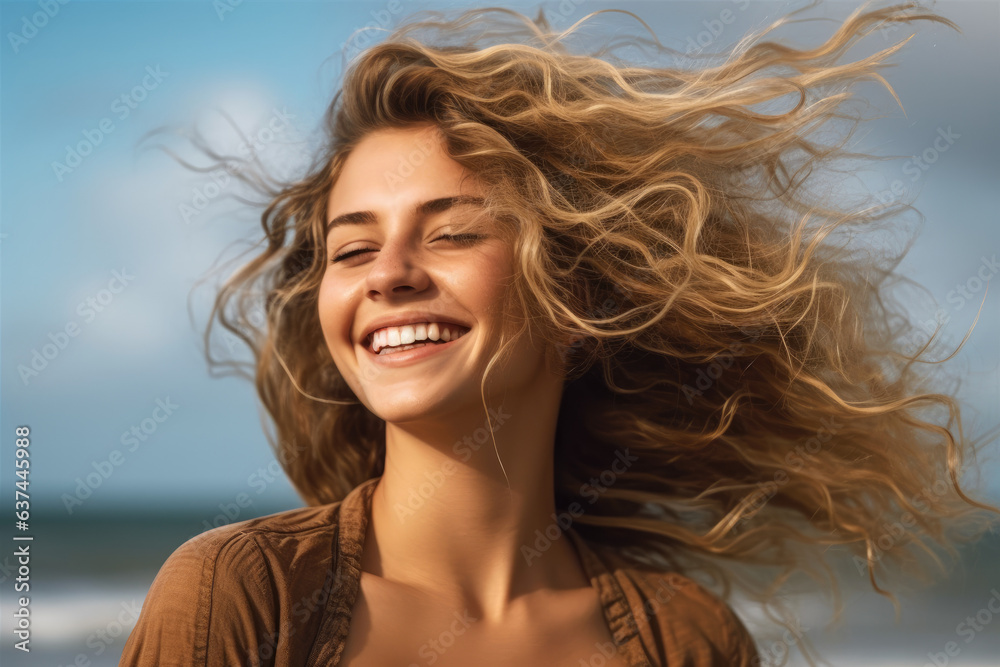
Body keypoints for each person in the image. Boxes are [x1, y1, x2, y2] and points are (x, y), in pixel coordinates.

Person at [120, 2, 999, 665]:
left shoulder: (686, 639)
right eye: (353, 247)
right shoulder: (245, 599)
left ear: (576, 297)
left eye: (453, 231)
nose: (388, 273)